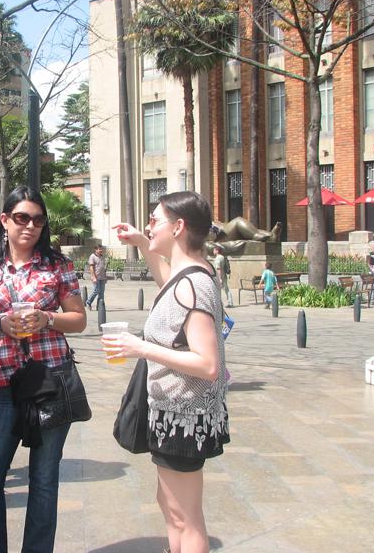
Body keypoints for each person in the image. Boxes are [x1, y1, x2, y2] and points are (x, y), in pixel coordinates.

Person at [0, 185, 87, 553]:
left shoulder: (57, 265)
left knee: (44, 480)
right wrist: (1, 325)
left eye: (37, 220)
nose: (30, 226)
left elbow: (78, 319)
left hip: (49, 381)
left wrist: (47, 318)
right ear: (4, 220)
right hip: (1, 384)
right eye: (21, 218)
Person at [103, 191, 229, 553]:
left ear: (178, 227)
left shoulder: (195, 283)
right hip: (174, 414)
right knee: (170, 505)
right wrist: (143, 243)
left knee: (185, 515)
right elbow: (169, 288)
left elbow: (207, 364)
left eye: (154, 220)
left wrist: (140, 347)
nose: (148, 224)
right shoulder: (187, 276)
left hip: (185, 415)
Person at [84, 244, 107, 311]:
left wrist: (105, 277)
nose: (101, 250)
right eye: (99, 249)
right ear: (96, 250)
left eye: (101, 249)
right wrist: (93, 277)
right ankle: (88, 302)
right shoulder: (92, 256)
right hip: (96, 277)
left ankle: (99, 306)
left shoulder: (102, 257)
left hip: (102, 277)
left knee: (101, 293)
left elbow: (103, 268)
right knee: (96, 291)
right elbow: (91, 267)